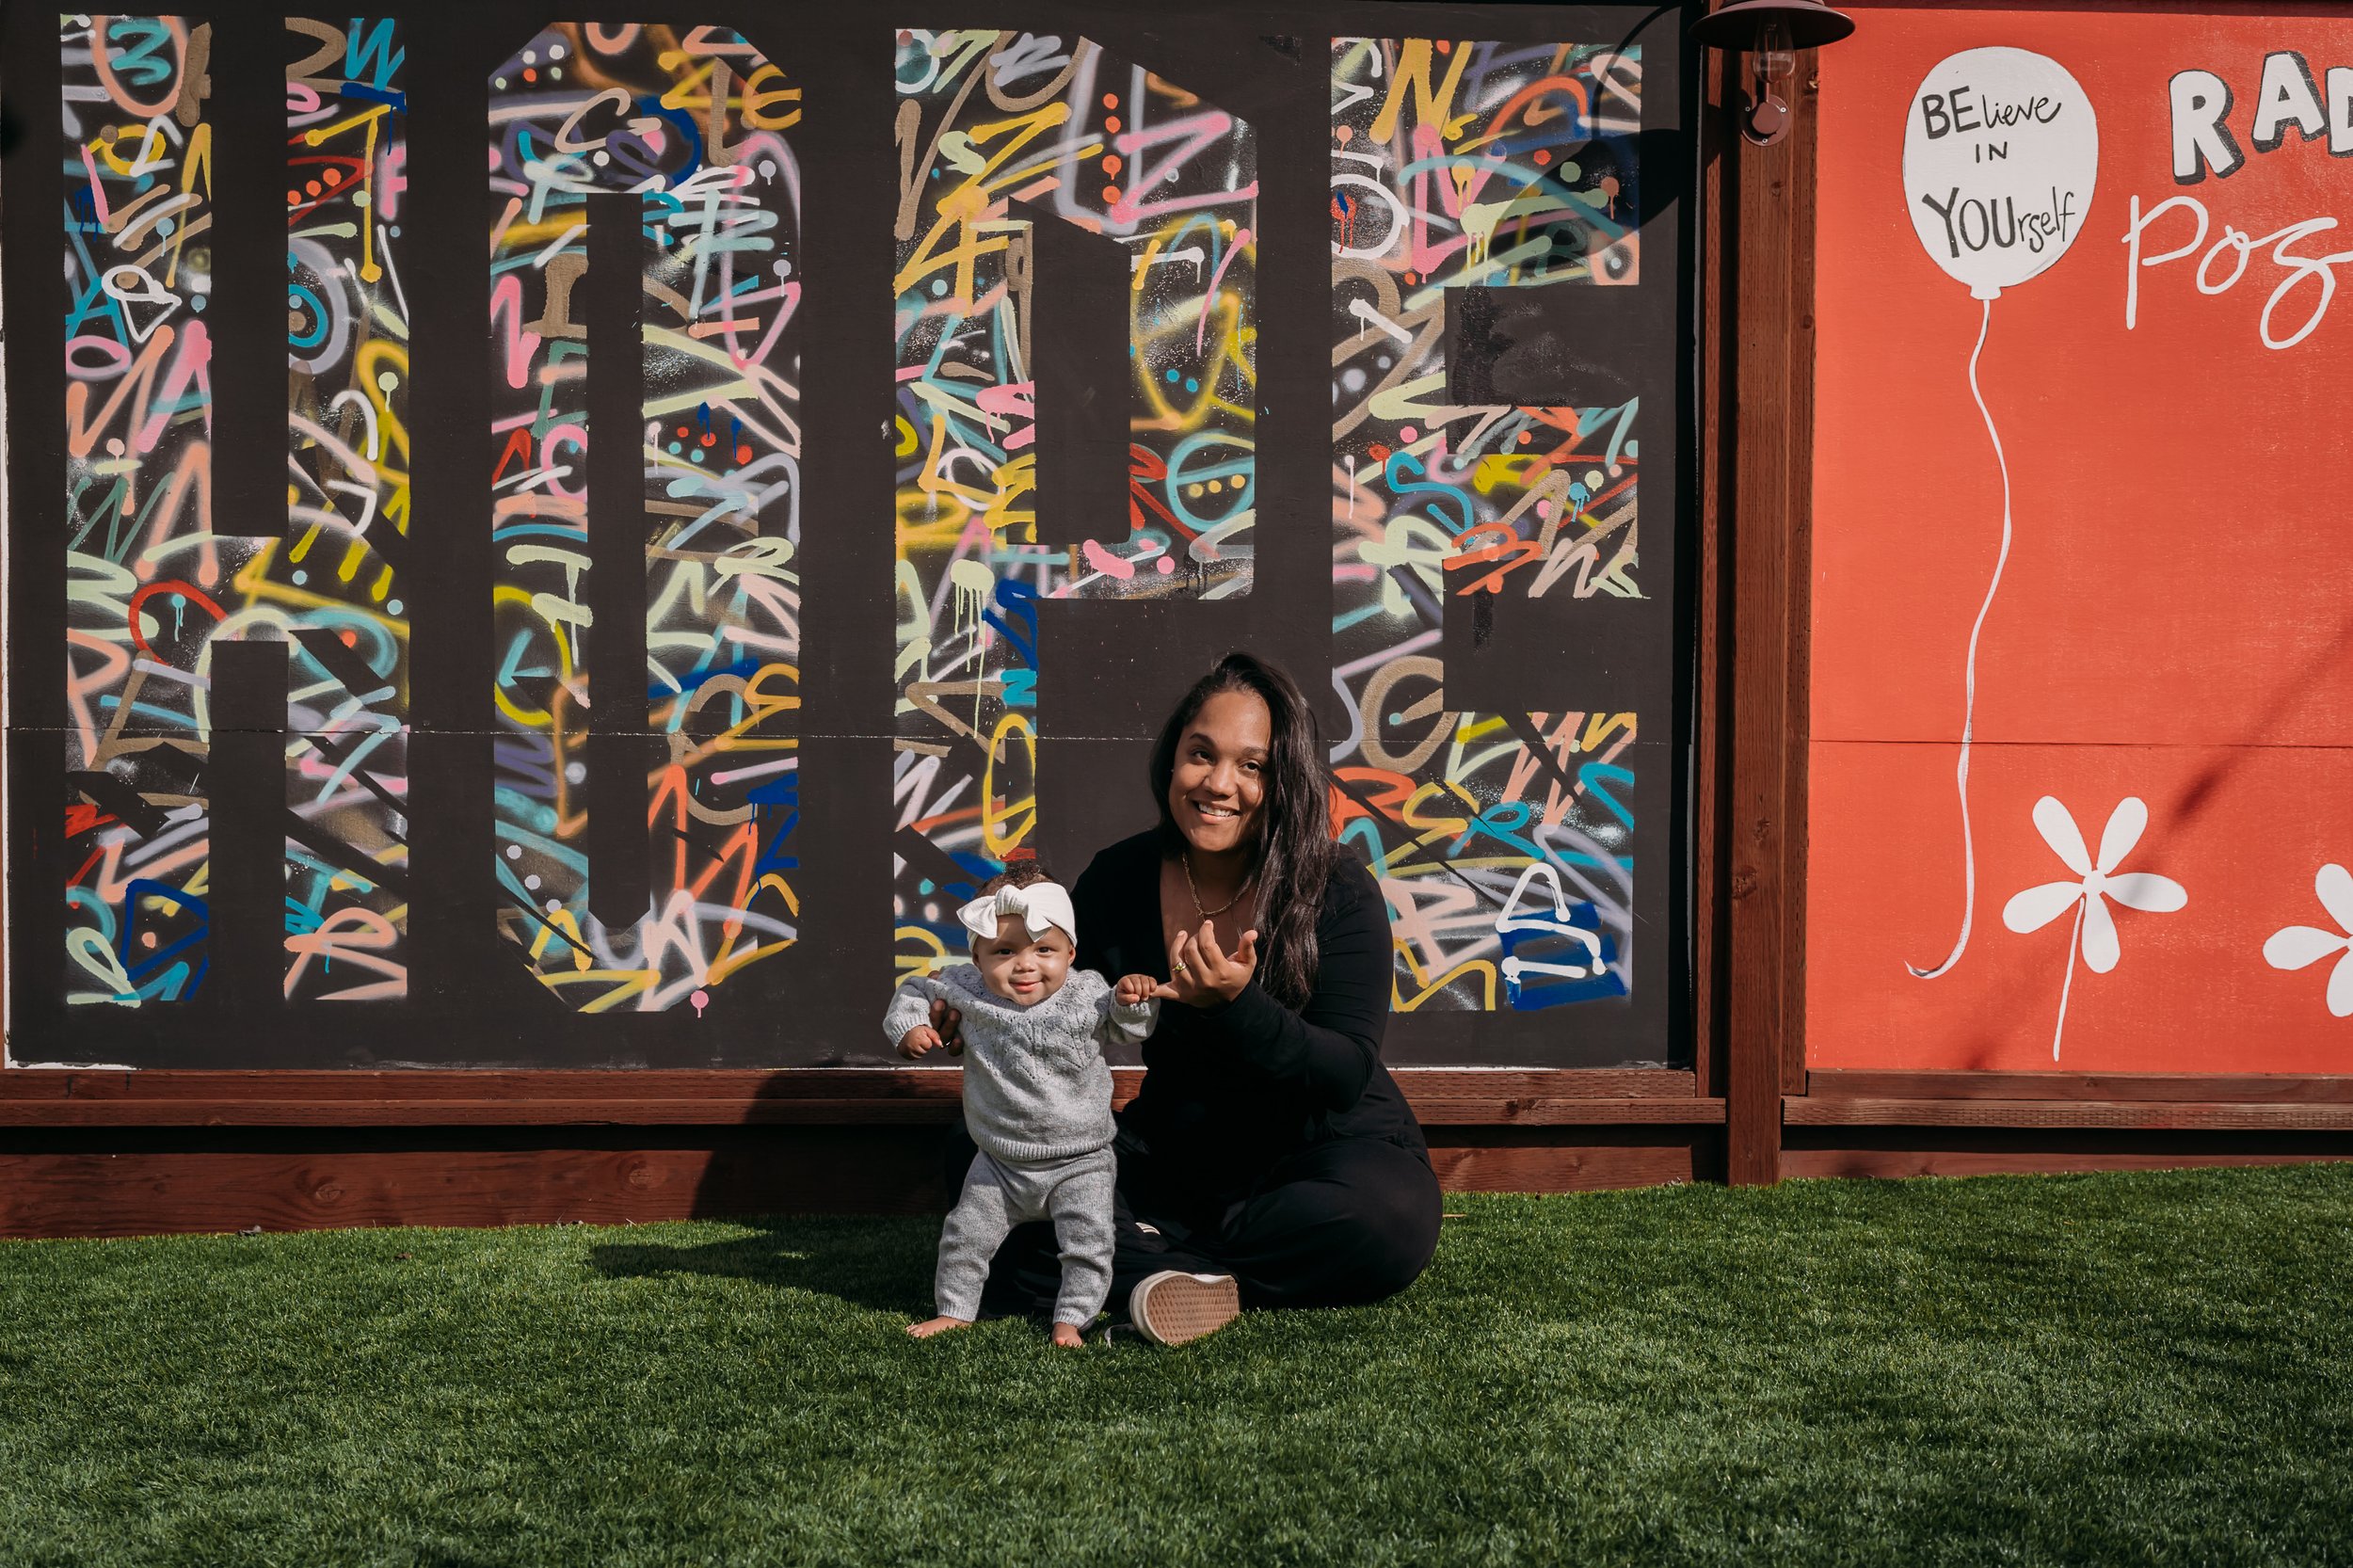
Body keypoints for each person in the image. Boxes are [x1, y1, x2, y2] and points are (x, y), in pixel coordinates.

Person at [933, 651, 1442, 1345]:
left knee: (1388, 1224)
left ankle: (1149, 1270)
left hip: (1319, 1154)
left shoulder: (1336, 887)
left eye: (1251, 766)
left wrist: (1238, 1007)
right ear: (1172, 760)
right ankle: (1171, 1278)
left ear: (1283, 779)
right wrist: (975, 1006)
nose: (1219, 783)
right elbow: (1048, 992)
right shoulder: (1119, 879)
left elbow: (1345, 1070)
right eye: (1200, 754)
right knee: (979, 1156)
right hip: (1179, 1155)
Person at [887, 864, 1166, 1347]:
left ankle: (1071, 1320)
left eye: (1044, 950)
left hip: (1082, 1160)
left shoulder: (1087, 994)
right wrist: (910, 1027)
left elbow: (1127, 1027)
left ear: (1071, 953)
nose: (1025, 965)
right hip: (1000, 1162)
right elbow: (915, 989)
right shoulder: (965, 990)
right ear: (976, 957)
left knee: (1089, 1245)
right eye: (1003, 951)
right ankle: (954, 1311)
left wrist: (1133, 999)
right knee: (965, 1237)